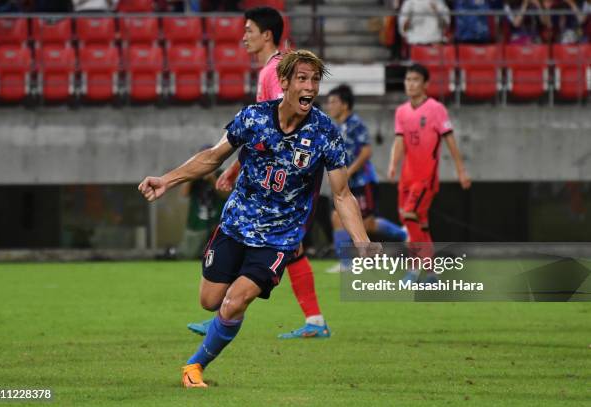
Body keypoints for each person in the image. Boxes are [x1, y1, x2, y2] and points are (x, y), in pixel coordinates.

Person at [138, 50, 373, 388]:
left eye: (315, 80)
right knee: (210, 302)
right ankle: (227, 313)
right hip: (235, 224)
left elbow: (342, 194)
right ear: (285, 83)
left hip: (279, 238)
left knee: (235, 302)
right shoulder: (253, 118)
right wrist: (167, 180)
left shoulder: (325, 133)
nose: (310, 87)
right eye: (302, 79)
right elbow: (212, 158)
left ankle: (194, 367)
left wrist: (361, 242)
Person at [187, 7, 333, 340]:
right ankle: (312, 319)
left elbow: (282, 132)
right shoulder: (272, 69)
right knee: (291, 250)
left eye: (249, 30)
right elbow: (266, 135)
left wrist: (236, 168)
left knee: (281, 248)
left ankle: (232, 312)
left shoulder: (274, 73)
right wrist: (238, 167)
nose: (243, 36)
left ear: (267, 34)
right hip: (280, 183)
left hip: (286, 187)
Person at [388, 64, 471, 284]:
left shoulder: (436, 109)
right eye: (408, 80)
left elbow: (450, 140)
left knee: (409, 215)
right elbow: (399, 140)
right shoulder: (401, 111)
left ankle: (416, 270)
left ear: (425, 84)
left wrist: (461, 170)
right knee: (417, 225)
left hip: (426, 177)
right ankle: (431, 274)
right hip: (407, 176)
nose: (410, 84)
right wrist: (393, 164)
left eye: (415, 80)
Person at [325, 84, 407, 273]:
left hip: (363, 182)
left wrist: (349, 171)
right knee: (337, 218)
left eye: (333, 102)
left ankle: (404, 234)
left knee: (367, 224)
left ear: (344, 105)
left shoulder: (356, 124)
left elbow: (366, 151)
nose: (329, 106)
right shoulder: (335, 127)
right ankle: (346, 263)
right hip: (344, 184)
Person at [177, 167, 227, 259]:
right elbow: (184, 193)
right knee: (189, 255)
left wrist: (212, 179)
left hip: (217, 223)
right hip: (196, 224)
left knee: (217, 256)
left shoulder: (220, 174)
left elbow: (225, 194)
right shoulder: (195, 177)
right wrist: (193, 176)